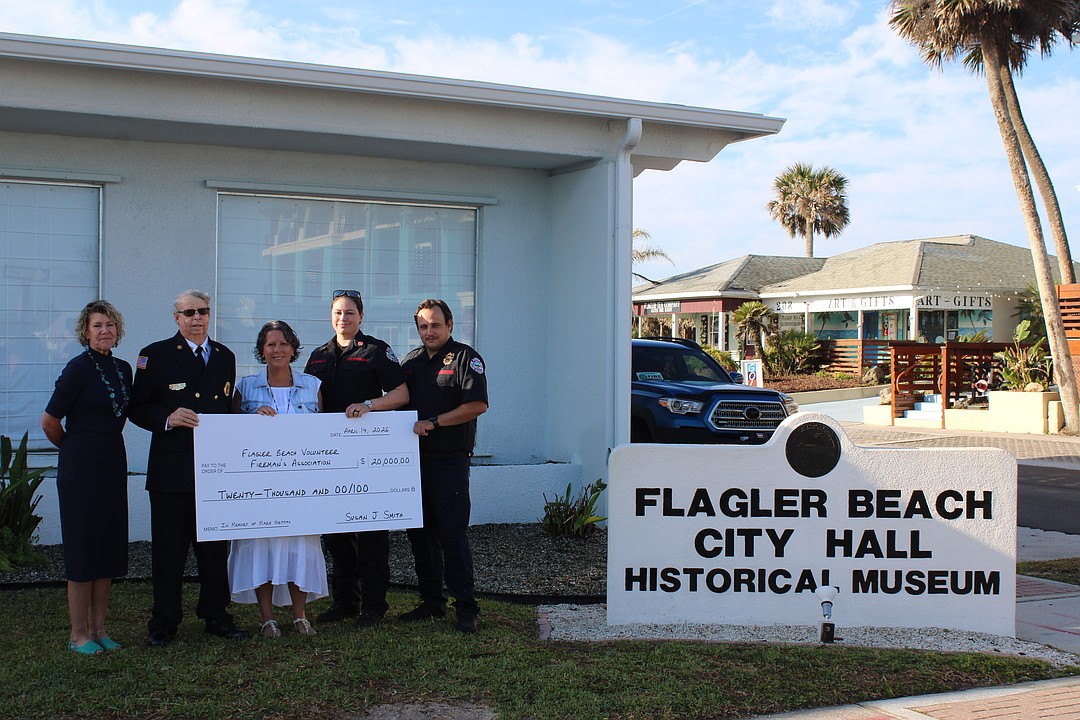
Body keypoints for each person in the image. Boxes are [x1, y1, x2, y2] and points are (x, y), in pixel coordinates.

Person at [128, 290, 250, 646]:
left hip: (214, 469)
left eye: (203, 311)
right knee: (169, 552)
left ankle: (216, 615)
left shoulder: (224, 356)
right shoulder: (156, 355)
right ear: (177, 318)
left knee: (214, 549)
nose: (197, 318)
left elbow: (227, 410)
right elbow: (137, 407)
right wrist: (167, 417)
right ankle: (164, 623)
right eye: (189, 312)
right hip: (172, 470)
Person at [303, 289, 408, 628]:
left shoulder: (376, 351)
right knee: (336, 534)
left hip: (367, 456)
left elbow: (401, 394)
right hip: (329, 457)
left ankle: (374, 606)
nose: (342, 318)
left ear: (361, 316)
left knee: (371, 534)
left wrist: (369, 404)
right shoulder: (318, 356)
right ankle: (346, 602)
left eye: (349, 313)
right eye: (337, 312)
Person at [41, 300, 133, 655]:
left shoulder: (124, 368)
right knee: (82, 549)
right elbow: (50, 422)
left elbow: (119, 416)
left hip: (112, 462)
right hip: (80, 467)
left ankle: (99, 630)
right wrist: (75, 449)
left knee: (107, 548)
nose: (105, 330)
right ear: (85, 331)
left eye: (110, 324)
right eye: (97, 325)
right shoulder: (76, 369)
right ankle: (78, 634)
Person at [228, 321, 328, 637]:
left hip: (302, 485)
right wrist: (250, 422)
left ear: (293, 348)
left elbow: (325, 433)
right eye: (270, 344)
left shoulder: (314, 385)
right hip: (260, 486)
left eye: (283, 343)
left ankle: (300, 615)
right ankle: (267, 617)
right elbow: (230, 434)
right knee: (262, 547)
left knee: (301, 546)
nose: (277, 350)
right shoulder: (244, 387)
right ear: (262, 350)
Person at [399, 299, 488, 634]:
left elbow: (477, 404)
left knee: (452, 535)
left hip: (449, 461)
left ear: (449, 324)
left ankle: (466, 607)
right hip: (412, 463)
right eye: (423, 326)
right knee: (420, 535)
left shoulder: (466, 358)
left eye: (435, 325)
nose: (429, 331)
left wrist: (434, 422)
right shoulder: (411, 362)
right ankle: (431, 602)